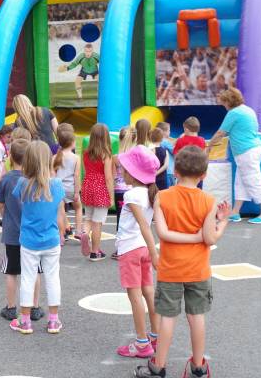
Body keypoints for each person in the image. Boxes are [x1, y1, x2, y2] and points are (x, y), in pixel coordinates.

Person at [134, 146, 230, 378]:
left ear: (175, 171)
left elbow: (164, 234)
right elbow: (210, 238)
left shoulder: (162, 197)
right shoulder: (208, 201)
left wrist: (192, 237)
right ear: (204, 175)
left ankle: (158, 366)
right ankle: (198, 366)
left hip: (170, 270)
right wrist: (222, 221)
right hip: (198, 270)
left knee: (167, 318)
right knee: (197, 317)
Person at [9, 141, 66, 335]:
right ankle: (53, 320)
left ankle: (25, 321)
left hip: (29, 240)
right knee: (52, 278)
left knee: (27, 278)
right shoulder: (57, 185)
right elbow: (59, 211)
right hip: (51, 239)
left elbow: (18, 199)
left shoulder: (23, 184)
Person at [114, 146, 160, 358]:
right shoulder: (152, 193)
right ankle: (155, 336)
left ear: (134, 173)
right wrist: (153, 250)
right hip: (143, 249)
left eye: (125, 169)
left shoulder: (132, 194)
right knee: (148, 292)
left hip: (131, 249)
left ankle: (142, 343)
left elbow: (143, 224)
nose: (122, 172)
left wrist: (155, 252)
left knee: (134, 297)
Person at [0, 139, 45, 321]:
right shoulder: (34, 180)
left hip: (12, 233)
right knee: (35, 271)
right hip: (32, 234)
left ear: (9, 157)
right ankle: (35, 306)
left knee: (11, 272)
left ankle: (10, 307)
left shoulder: (7, 179)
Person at [208, 88, 261, 224]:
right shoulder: (248, 110)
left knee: (253, 179)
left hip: (246, 151)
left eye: (224, 102)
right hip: (253, 149)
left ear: (229, 101)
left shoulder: (234, 113)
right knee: (241, 181)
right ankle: (235, 212)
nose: (223, 105)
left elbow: (221, 133)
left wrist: (208, 147)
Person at [80, 123, 114, 261]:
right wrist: (111, 196)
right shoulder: (106, 155)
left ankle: (84, 233)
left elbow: (86, 171)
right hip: (100, 187)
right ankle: (95, 252)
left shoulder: (86, 153)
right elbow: (108, 177)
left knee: (88, 218)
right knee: (97, 222)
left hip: (88, 185)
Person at [111, 126, 136, 260]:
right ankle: (132, 248)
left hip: (120, 191)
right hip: (133, 190)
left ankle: (120, 249)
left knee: (120, 219)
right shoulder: (135, 156)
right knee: (133, 220)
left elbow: (114, 177)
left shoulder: (116, 158)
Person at [53, 129, 82, 240]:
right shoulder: (76, 158)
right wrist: (76, 192)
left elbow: (53, 174)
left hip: (58, 188)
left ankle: (61, 236)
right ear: (72, 142)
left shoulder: (55, 157)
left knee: (60, 212)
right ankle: (79, 231)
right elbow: (76, 175)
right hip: (70, 188)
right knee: (78, 208)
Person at [0, 124, 12, 226]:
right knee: (1, 200)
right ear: (2, 136)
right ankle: (4, 218)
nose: (10, 139)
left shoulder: (2, 146)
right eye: (8, 137)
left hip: (1, 175)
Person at [156, 122, 175, 188]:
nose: (170, 132)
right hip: (169, 171)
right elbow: (175, 151)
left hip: (162, 170)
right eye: (169, 130)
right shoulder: (165, 142)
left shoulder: (158, 142)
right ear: (163, 132)